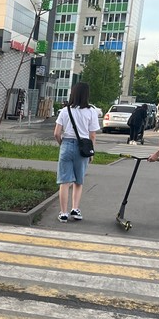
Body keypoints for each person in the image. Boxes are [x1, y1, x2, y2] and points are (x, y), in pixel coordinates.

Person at [54, 81, 100, 222]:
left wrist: (62, 144)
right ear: (86, 95)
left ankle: (63, 213)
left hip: (66, 145)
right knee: (78, 181)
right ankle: (75, 209)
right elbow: (92, 135)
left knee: (64, 181)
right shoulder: (91, 111)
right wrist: (91, 152)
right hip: (83, 148)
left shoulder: (65, 111)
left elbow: (56, 133)